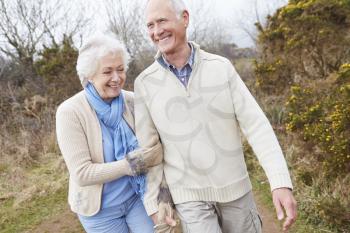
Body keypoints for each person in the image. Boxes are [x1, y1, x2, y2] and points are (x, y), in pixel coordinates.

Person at [134, 0, 297, 232]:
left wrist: (280, 182)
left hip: (236, 190)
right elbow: (149, 151)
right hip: (188, 197)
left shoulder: (221, 68)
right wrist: (155, 202)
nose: (156, 31)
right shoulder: (144, 84)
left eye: (162, 21)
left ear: (185, 18)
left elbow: (256, 126)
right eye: (150, 25)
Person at [56, 33, 163, 233]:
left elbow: (155, 148)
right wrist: (129, 165)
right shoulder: (70, 112)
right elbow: (82, 173)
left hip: (136, 198)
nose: (117, 78)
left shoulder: (132, 101)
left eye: (120, 70)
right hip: (99, 211)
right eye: (107, 72)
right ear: (89, 75)